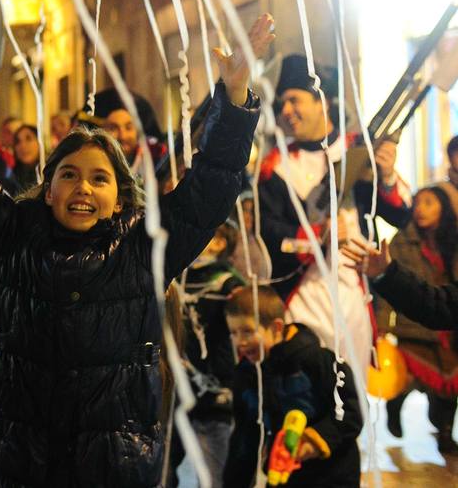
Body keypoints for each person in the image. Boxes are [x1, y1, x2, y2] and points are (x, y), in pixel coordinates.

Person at [0, 11, 273, 486]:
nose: (82, 188)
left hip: (114, 471)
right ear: (48, 190)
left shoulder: (144, 247)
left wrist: (234, 102)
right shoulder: (9, 234)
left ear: (119, 196)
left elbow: (212, 182)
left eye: (99, 178)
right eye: (68, 175)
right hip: (21, 467)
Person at [255, 54, 410, 374]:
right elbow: (268, 234)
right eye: (282, 104)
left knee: (355, 400)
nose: (286, 111)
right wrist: (315, 237)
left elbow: (400, 215)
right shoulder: (274, 167)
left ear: (321, 101)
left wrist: (388, 174)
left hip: (356, 296)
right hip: (302, 301)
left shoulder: (358, 149)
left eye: (294, 100)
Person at [222, 286, 362, 487]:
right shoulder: (247, 376)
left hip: (334, 476)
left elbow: (351, 410)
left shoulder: (319, 360)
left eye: (247, 331)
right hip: (283, 476)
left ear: (276, 327)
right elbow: (245, 439)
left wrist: (314, 440)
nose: (240, 342)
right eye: (233, 333)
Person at [370, 183, 458, 451]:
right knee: (414, 377)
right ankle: (396, 402)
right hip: (415, 324)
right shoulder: (402, 240)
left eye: (429, 203)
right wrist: (383, 325)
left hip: (450, 330)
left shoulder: (452, 241)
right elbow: (394, 292)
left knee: (450, 382)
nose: (420, 210)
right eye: (417, 203)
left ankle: (444, 432)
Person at [169, 223, 245, 485]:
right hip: (175, 389)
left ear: (222, 243)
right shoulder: (176, 271)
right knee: (163, 468)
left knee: (212, 474)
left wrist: (241, 299)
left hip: (213, 389)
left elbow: (245, 308)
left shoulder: (227, 280)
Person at [9, 124, 41, 191]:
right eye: (18, 141)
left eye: (28, 139)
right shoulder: (10, 179)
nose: (22, 145)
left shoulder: (52, 173)